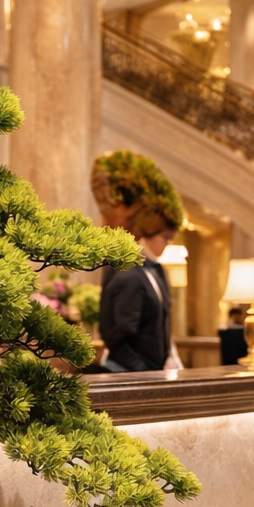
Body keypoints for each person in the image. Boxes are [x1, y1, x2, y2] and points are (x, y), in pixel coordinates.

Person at [90, 150, 186, 374]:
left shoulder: (156, 271)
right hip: (129, 373)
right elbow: (119, 333)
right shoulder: (129, 275)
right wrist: (142, 372)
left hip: (151, 372)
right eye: (165, 239)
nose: (166, 246)